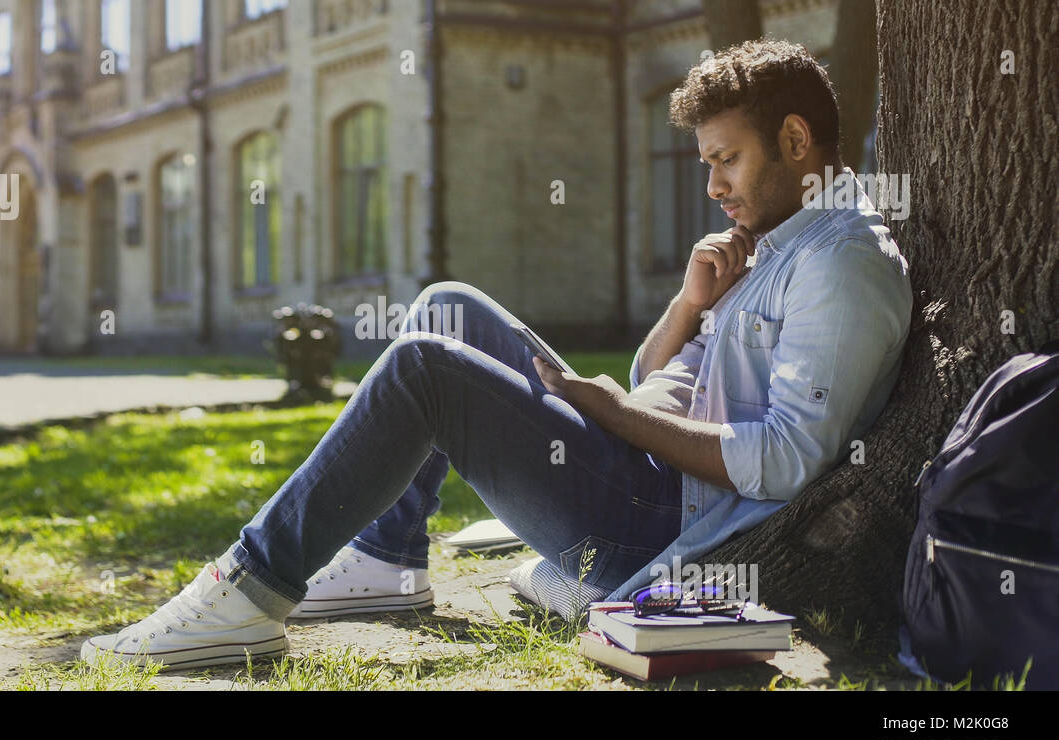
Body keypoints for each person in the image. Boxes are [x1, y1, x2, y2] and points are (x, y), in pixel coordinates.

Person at [80, 38, 913, 670]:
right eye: (706, 164)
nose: (712, 187)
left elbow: (783, 463)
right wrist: (687, 306)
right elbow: (651, 379)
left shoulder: (841, 264)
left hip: (662, 525)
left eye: (726, 160)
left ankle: (250, 589)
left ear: (797, 139)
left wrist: (612, 417)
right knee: (448, 305)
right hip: (652, 473)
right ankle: (388, 558)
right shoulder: (771, 240)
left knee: (424, 368)